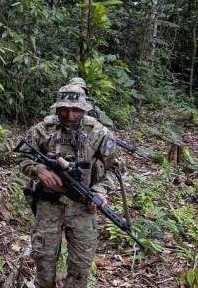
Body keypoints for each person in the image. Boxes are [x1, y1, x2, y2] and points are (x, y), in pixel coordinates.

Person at [19, 84, 121, 288]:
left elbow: (115, 169)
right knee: (44, 260)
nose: (70, 114)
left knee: (80, 267)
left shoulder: (99, 133)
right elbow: (22, 157)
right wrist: (39, 170)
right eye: (64, 109)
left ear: (84, 109)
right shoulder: (42, 130)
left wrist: (100, 191)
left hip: (84, 205)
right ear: (57, 108)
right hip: (49, 204)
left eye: (76, 110)